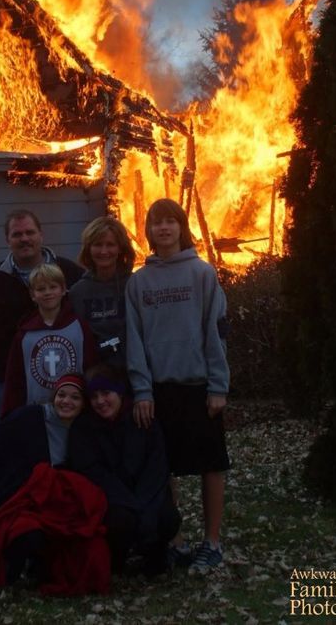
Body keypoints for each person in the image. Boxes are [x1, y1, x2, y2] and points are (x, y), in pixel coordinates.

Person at [125, 197, 230, 573]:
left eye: (170, 221)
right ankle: (175, 540)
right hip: (159, 390)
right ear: (149, 231)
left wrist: (218, 385)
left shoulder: (202, 273)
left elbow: (215, 332)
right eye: (156, 223)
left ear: (181, 227)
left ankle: (212, 541)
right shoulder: (138, 282)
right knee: (162, 468)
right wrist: (142, 390)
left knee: (211, 464)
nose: (163, 229)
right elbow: (134, 340)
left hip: (199, 385)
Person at [0, 368, 110, 595]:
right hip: (17, 500)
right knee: (23, 532)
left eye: (74, 397)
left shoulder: (86, 432)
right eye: (62, 395)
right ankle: (6, 559)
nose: (66, 401)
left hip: (57, 506)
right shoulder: (29, 419)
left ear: (83, 403)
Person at [0, 209, 83, 424]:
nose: (25, 239)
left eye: (30, 232)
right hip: (6, 381)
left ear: (41, 234)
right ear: (7, 240)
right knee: (10, 442)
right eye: (17, 234)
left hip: (62, 379)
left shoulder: (70, 272)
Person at [68, 364, 181, 577]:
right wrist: (131, 505)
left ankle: (154, 554)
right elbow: (93, 473)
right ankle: (116, 556)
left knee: (167, 518)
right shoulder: (83, 428)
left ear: (119, 392)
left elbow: (157, 466)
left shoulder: (143, 419)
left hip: (145, 493)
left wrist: (144, 503)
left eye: (106, 393)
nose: (100, 401)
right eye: (94, 396)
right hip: (112, 497)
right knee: (120, 521)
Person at [1, 263, 98, 417]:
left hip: (76, 412)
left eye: (53, 287)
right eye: (41, 289)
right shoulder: (25, 335)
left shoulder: (79, 327)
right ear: (32, 295)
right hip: (37, 413)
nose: (47, 293)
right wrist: (11, 414)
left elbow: (91, 366)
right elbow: (15, 378)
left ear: (63, 289)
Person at [69, 216, 135, 370]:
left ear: (120, 248)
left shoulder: (134, 285)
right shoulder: (77, 293)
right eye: (98, 245)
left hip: (131, 371)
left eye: (110, 245)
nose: (104, 251)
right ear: (88, 249)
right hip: (94, 374)